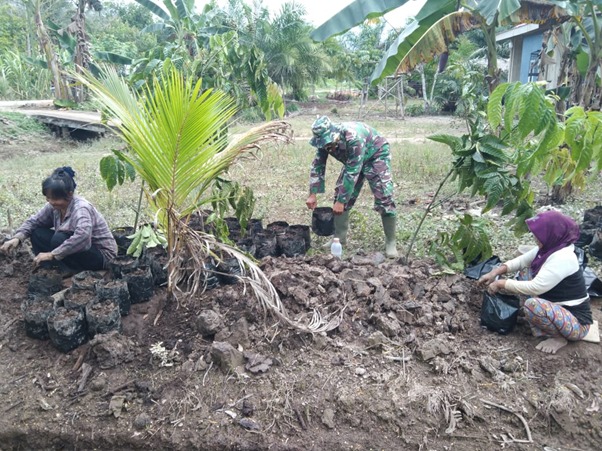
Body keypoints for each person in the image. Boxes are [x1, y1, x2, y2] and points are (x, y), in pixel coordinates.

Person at [478, 210, 592, 354]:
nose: (535, 238)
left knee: (533, 306)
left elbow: (535, 287)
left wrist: (501, 283)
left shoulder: (563, 258)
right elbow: (522, 261)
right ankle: (542, 321)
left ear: (552, 233)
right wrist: (495, 272)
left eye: (539, 235)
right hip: (556, 307)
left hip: (576, 322)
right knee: (525, 272)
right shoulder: (550, 248)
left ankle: (558, 338)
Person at [305, 116, 398, 258]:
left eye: (328, 143)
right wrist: (313, 194)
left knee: (384, 195)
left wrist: (341, 201)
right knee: (340, 192)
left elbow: (352, 172)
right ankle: (339, 238)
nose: (326, 146)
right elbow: (318, 165)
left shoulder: (353, 138)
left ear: (334, 135)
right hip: (353, 161)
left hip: (376, 154)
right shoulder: (324, 141)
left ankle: (391, 241)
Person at [0, 166, 117, 272]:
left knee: (59, 238)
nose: (51, 202)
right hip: (79, 250)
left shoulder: (81, 208)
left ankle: (72, 270)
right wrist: (17, 238)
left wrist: (52, 254)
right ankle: (50, 269)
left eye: (55, 199)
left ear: (69, 194)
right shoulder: (54, 207)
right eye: (48, 198)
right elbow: (34, 221)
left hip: (101, 256)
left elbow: (83, 238)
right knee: (37, 233)